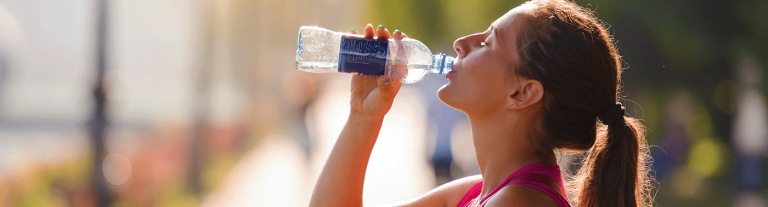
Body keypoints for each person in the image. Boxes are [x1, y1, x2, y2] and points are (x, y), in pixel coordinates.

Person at [309, 0, 654, 206]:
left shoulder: (518, 204)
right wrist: (362, 115)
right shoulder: (476, 192)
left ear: (523, 93)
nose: (461, 43)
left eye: (488, 42)